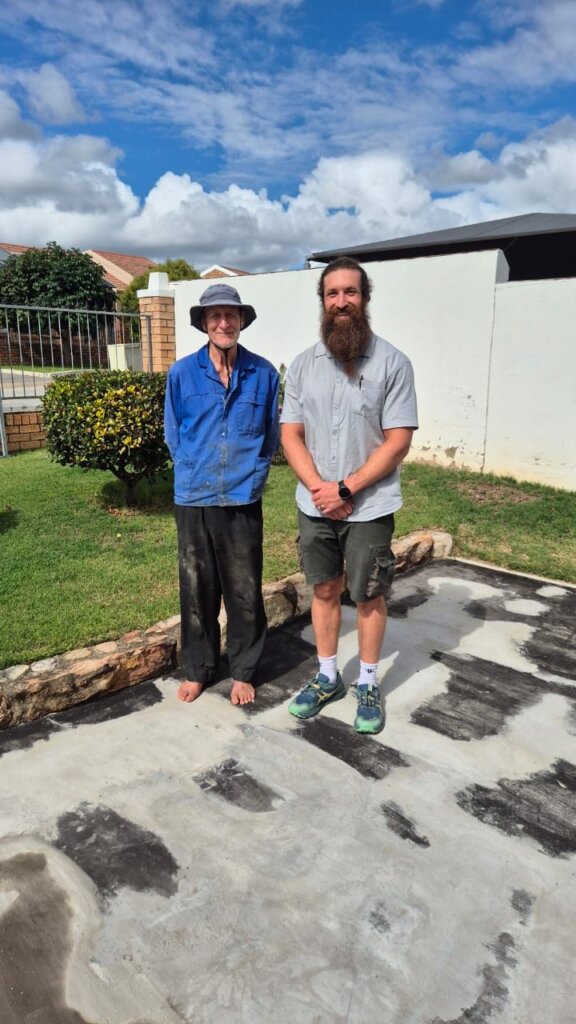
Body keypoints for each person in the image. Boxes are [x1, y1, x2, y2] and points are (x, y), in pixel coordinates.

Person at [281, 257, 418, 734]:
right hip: (314, 504)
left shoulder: (393, 363)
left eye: (350, 292)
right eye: (332, 293)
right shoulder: (303, 365)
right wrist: (321, 491)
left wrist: (345, 488)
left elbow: (398, 441)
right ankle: (327, 677)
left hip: (369, 507)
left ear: (365, 298)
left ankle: (368, 682)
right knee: (323, 589)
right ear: (323, 301)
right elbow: (291, 435)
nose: (341, 302)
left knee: (367, 594)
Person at [164, 283, 280, 706]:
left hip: (242, 497)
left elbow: (270, 435)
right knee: (197, 589)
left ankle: (243, 671)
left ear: (242, 320)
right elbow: (173, 433)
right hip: (194, 497)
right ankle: (199, 669)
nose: (224, 323)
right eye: (215, 315)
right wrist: (191, 468)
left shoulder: (264, 374)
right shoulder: (182, 373)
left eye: (231, 315)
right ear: (204, 323)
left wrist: (255, 475)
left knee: (244, 589)